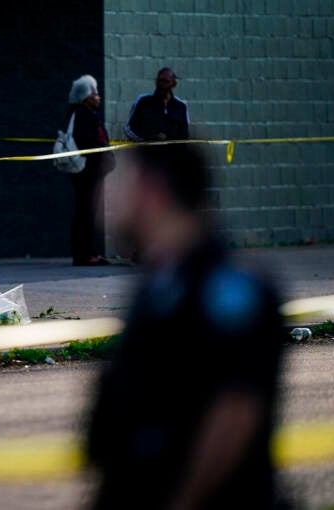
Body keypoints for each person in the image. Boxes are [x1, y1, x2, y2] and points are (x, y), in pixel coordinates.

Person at [83, 144, 287, 510]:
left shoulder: (231, 291)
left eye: (118, 181)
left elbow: (234, 415)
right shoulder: (159, 284)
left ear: (152, 191)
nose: (105, 195)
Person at [63, 74, 116, 266]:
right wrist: (104, 160)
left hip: (91, 173)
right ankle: (84, 255)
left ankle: (89, 252)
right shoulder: (82, 116)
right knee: (85, 212)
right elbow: (89, 145)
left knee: (89, 212)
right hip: (86, 173)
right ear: (85, 96)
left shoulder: (84, 114)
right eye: (95, 93)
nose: (98, 96)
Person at [124, 67, 190, 142]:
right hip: (146, 151)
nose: (162, 85)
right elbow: (129, 128)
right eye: (160, 81)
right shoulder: (143, 101)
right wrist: (147, 140)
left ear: (174, 84)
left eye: (166, 81)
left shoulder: (181, 106)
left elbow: (184, 135)